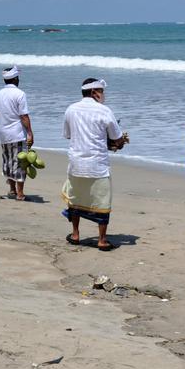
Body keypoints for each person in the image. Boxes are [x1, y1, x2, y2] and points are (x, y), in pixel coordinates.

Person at [61, 77, 127, 250]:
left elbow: (68, 135)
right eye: (101, 91)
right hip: (97, 165)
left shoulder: (71, 109)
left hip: (76, 163)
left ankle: (75, 234)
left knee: (76, 199)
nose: (103, 95)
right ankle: (102, 240)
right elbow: (116, 138)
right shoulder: (104, 111)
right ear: (93, 92)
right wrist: (119, 143)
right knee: (101, 202)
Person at [0, 66, 33, 201]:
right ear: (16, 79)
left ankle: (12, 190)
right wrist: (30, 133)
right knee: (21, 163)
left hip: (4, 134)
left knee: (9, 162)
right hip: (17, 134)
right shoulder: (19, 94)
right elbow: (24, 116)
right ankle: (20, 194)